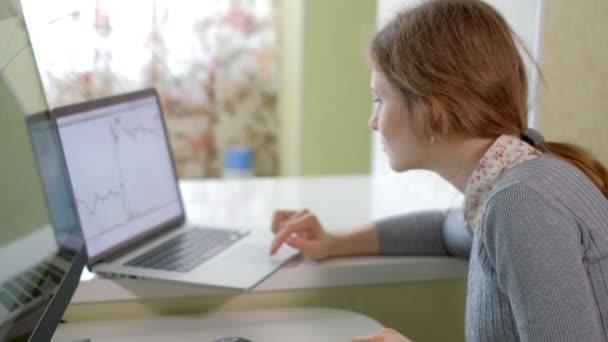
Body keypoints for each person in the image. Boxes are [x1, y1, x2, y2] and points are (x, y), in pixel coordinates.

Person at [268, 0, 608, 341]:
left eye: (379, 100)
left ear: (433, 111)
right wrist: (333, 243)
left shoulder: (522, 204)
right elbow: (444, 232)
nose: (373, 121)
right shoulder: (505, 187)